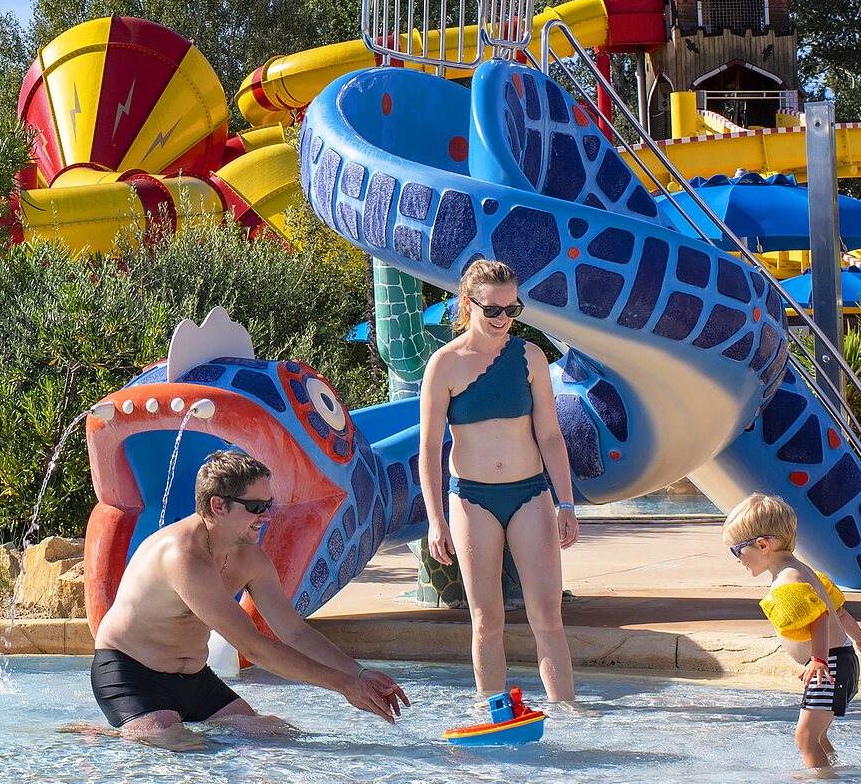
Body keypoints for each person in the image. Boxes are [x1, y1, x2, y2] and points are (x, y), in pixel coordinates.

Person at [88, 450, 409, 751]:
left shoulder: (249, 559)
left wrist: (359, 675)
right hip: (131, 674)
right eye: (256, 507)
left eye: (269, 504)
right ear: (218, 505)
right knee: (182, 748)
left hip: (194, 678)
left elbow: (295, 632)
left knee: (279, 738)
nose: (267, 515)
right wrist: (344, 686)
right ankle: (101, 734)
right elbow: (252, 646)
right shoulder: (182, 555)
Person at [419, 259, 578, 703]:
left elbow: (549, 435)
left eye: (513, 309)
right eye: (493, 310)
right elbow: (430, 449)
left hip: (530, 494)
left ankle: (566, 713)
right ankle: (495, 715)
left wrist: (565, 503)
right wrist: (436, 519)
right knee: (487, 617)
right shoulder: (444, 365)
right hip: (471, 498)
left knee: (547, 614)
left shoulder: (530, 357)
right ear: (468, 305)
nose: (503, 319)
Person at [722, 493, 861, 770]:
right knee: (816, 736)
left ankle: (819, 778)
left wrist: (818, 659)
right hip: (839, 659)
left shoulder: (788, 581)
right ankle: (831, 770)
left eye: (737, 551)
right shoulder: (804, 571)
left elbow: (819, 618)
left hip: (828, 664)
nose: (737, 559)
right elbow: (839, 612)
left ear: (762, 545)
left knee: (805, 737)